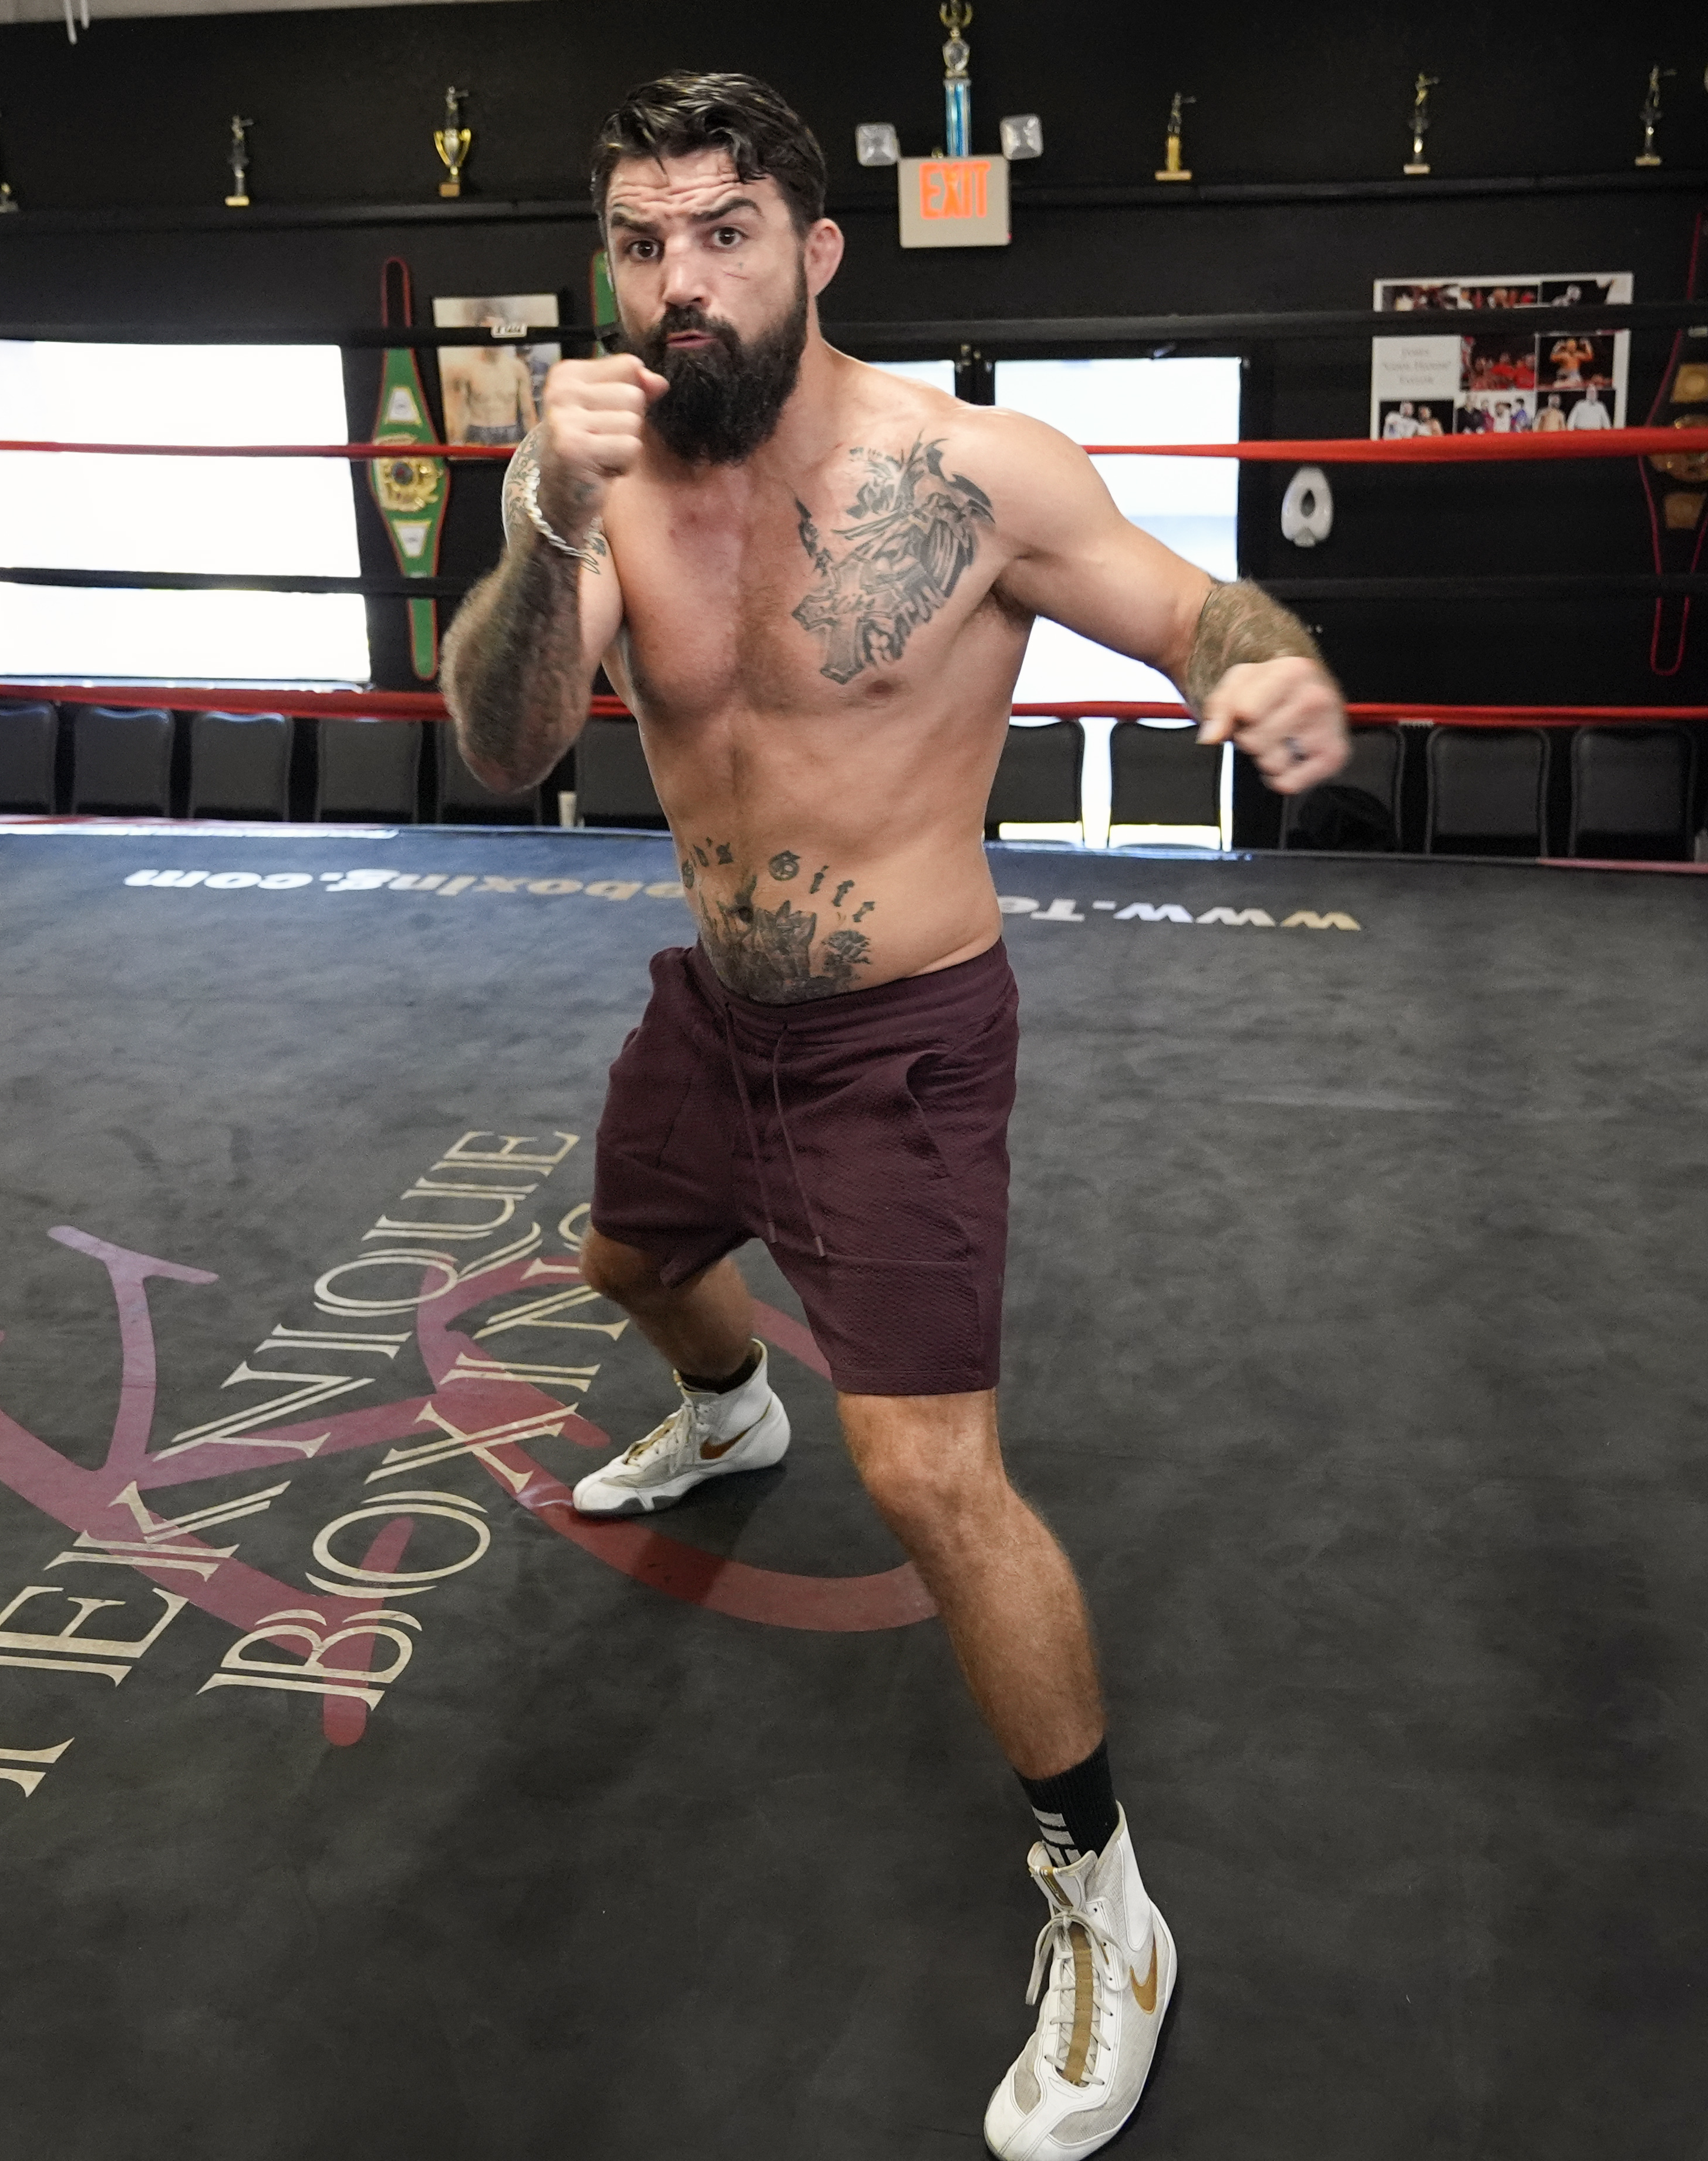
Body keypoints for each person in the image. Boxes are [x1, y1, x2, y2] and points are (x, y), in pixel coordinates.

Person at [440, 69, 1348, 2161]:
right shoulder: (611, 493)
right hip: (716, 1014)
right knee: (623, 1264)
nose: (681, 283)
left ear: (816, 249)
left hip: (908, 1038)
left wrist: (1266, 666)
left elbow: (1190, 599)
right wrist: (541, 522)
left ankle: (1109, 1905)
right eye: (645, 242)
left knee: (932, 1477)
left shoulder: (977, 473)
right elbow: (502, 746)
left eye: (725, 235)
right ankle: (727, 1409)